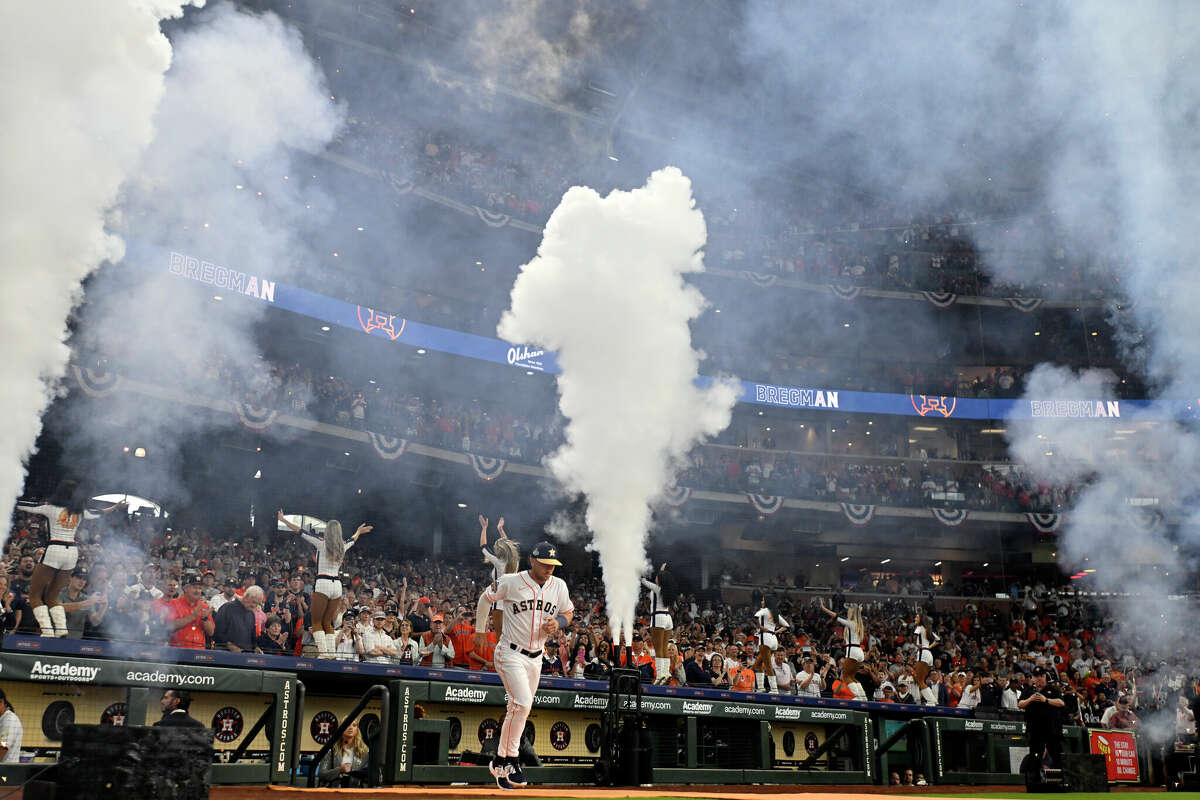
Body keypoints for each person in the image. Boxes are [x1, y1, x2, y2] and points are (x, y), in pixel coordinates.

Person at [475, 541, 573, 790]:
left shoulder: (559, 586)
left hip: (536, 657)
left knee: (519, 709)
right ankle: (512, 758)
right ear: (532, 560)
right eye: (544, 563)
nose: (549, 568)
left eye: (553, 564)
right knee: (523, 703)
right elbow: (485, 600)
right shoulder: (511, 581)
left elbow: (568, 613)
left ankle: (500, 761)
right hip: (510, 652)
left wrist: (558, 623)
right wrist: (479, 630)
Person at [17, 481, 124, 636]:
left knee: (34, 595)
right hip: (72, 552)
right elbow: (99, 512)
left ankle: (47, 631)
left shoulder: (51, 508)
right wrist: (116, 507)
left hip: (54, 549)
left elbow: (25, 506)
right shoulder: (80, 512)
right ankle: (61, 629)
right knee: (52, 597)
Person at [277, 510, 372, 658]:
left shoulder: (321, 543)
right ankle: (331, 653)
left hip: (323, 583)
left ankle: (323, 653)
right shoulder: (342, 545)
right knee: (328, 622)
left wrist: (284, 520)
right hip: (337, 586)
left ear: (327, 531)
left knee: (316, 621)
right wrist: (359, 531)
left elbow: (301, 531)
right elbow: (353, 539)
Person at [478, 515, 520, 640]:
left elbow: (483, 546)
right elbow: (508, 546)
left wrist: (484, 528)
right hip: (512, 598)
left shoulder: (499, 561)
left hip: (500, 600)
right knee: (509, 635)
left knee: (500, 637)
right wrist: (500, 530)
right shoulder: (515, 560)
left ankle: (500, 658)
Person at [1018, 667, 1066, 770]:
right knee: (1035, 756)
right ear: (1033, 678)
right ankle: (1035, 781)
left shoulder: (1052, 689)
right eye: (1036, 676)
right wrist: (1030, 699)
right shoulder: (1029, 690)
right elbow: (1020, 704)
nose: (1039, 678)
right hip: (1035, 730)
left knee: (1057, 756)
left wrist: (1046, 700)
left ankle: (1062, 781)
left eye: (1041, 676)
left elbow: (1061, 703)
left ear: (1045, 677)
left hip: (1052, 730)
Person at [819, 600, 865, 694]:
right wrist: (859, 610)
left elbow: (836, 616)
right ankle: (862, 695)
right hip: (860, 652)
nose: (848, 612)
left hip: (852, 651)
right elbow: (857, 614)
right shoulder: (858, 624)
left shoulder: (851, 623)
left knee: (845, 676)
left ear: (852, 613)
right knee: (852, 676)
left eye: (850, 611)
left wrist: (824, 608)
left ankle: (857, 696)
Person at [641, 562, 676, 684]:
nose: (655, 578)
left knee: (658, 649)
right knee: (664, 648)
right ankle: (666, 673)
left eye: (657, 577)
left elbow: (643, 581)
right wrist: (661, 570)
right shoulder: (668, 590)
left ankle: (660, 675)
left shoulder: (657, 588)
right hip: (668, 619)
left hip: (658, 617)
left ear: (660, 580)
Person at [56, 567, 108, 640]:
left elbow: (95, 621)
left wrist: (103, 607)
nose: (82, 581)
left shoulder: (86, 598)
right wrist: (87, 602)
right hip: (56, 640)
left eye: (84, 579)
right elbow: (58, 608)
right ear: (71, 577)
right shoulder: (59, 593)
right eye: (79, 577)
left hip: (76, 642)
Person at [166, 574, 214, 649]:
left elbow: (211, 632)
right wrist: (192, 617)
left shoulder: (204, 606)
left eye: (200, 588)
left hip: (199, 651)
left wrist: (205, 619)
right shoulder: (173, 603)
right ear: (185, 589)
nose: (197, 591)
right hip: (177, 651)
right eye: (194, 587)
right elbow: (170, 626)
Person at [752, 598, 789, 692]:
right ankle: (760, 687)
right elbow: (786, 626)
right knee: (758, 664)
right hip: (773, 639)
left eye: (763, 600)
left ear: (767, 602)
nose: (762, 602)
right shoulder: (775, 613)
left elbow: (755, 616)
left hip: (765, 639)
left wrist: (760, 627)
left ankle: (774, 689)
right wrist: (776, 631)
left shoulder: (764, 610)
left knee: (768, 665)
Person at [318, 721, 370, 787]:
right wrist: (339, 770)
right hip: (334, 793)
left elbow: (368, 776)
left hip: (355, 793)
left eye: (354, 725)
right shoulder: (331, 750)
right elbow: (321, 774)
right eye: (347, 725)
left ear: (357, 730)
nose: (351, 728)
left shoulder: (364, 752)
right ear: (341, 728)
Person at [213, 585, 264, 652]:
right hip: (225, 654)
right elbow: (218, 632)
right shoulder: (227, 608)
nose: (254, 606)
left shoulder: (251, 614)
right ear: (246, 596)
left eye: (257, 604)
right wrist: (230, 646)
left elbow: (252, 637)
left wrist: (256, 648)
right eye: (253, 602)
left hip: (246, 657)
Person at [912, 612, 940, 690]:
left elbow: (914, 636)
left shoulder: (919, 627)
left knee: (919, 680)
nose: (915, 619)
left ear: (921, 620)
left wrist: (916, 645)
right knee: (921, 681)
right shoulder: (927, 629)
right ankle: (931, 700)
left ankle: (931, 700)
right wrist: (928, 647)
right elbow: (938, 640)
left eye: (917, 617)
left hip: (922, 654)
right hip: (929, 654)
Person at [0, 688, 22, 764]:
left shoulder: (9, 720)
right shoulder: (2, 719)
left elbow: (4, 746)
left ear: (1, 702)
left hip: (6, 771)